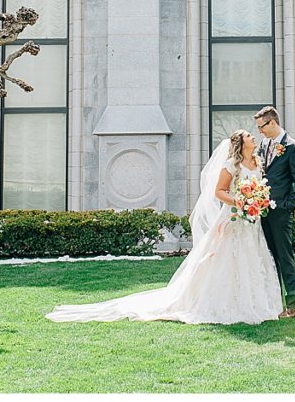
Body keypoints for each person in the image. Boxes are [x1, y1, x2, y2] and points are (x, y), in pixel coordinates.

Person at [45, 129, 282, 325]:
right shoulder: (232, 165)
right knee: (226, 259)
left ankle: (252, 301)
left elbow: (259, 188)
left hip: (251, 222)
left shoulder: (257, 163)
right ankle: (220, 302)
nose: (254, 138)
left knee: (251, 257)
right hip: (231, 217)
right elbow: (218, 192)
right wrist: (240, 201)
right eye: (250, 136)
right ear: (241, 143)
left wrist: (256, 201)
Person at [253, 106, 295, 318]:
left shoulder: (293, 147)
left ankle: (291, 304)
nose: (260, 132)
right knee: (269, 258)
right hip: (261, 212)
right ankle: (274, 302)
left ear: (272, 123)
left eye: (261, 127)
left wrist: (286, 207)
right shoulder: (264, 145)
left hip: (281, 213)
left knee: (284, 257)